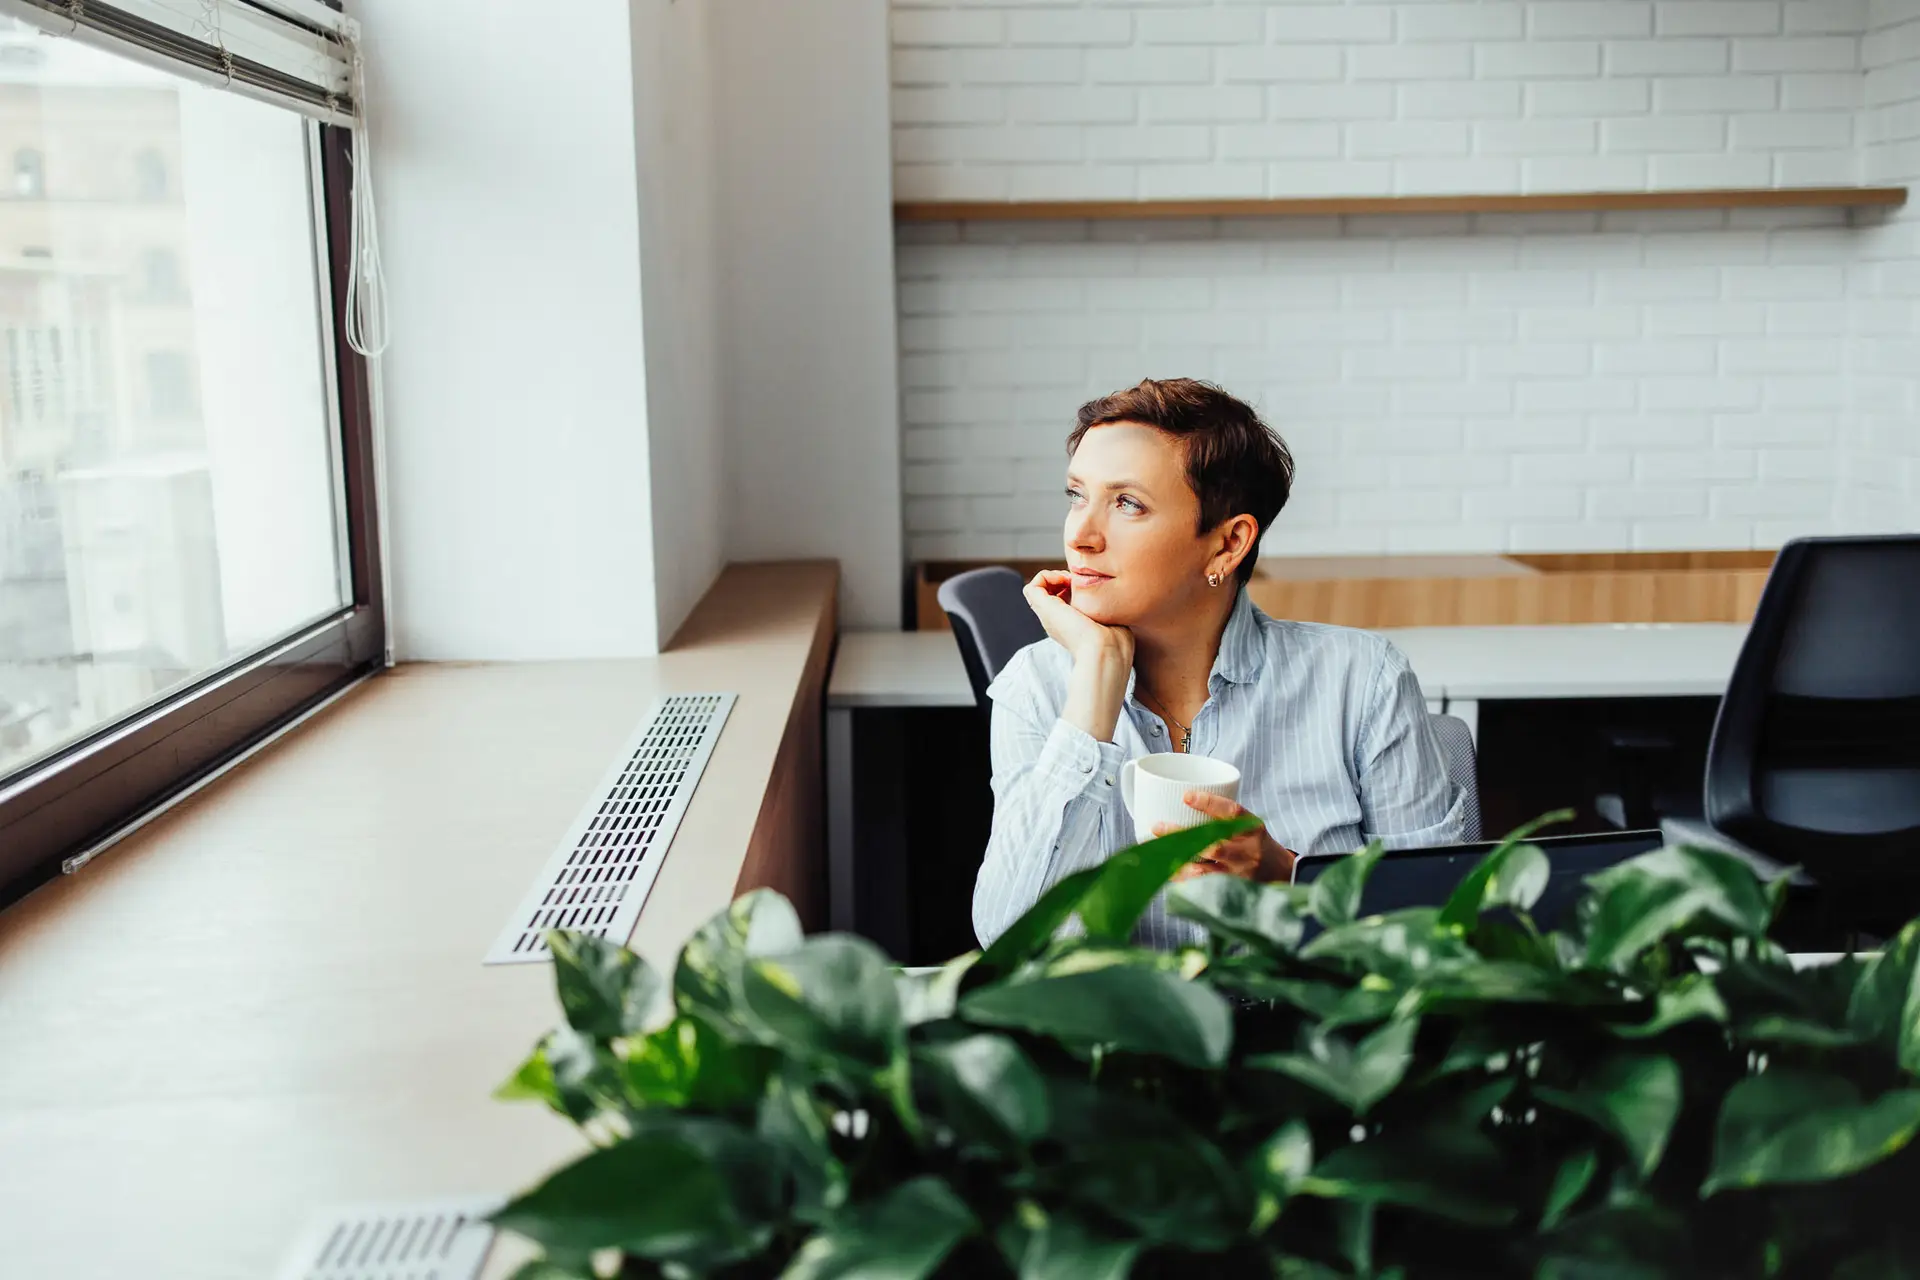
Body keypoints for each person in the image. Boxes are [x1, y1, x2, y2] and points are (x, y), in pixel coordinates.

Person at [973, 378, 1466, 950]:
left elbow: (1441, 924)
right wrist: (1096, 684)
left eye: (1127, 503)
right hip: (1119, 1035)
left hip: (1311, 1030)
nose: (1081, 536)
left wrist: (1289, 878)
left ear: (1228, 545)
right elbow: (1011, 940)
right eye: (1077, 495)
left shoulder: (1363, 680)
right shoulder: (1036, 687)